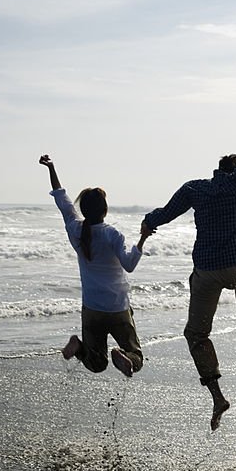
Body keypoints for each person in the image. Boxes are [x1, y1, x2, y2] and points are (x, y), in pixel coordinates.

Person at [141, 86, 236, 431]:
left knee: (197, 334)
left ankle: (217, 395)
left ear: (216, 169)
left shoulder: (195, 189)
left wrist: (148, 223)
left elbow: (166, 214)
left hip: (206, 271)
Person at [39, 154, 152, 378]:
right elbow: (129, 265)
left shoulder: (75, 229)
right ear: (105, 210)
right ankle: (124, 356)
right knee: (136, 358)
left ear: (85, 210)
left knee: (96, 363)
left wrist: (51, 168)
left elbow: (62, 200)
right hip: (117, 306)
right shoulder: (113, 234)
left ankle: (79, 347)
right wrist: (143, 239)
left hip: (92, 307)